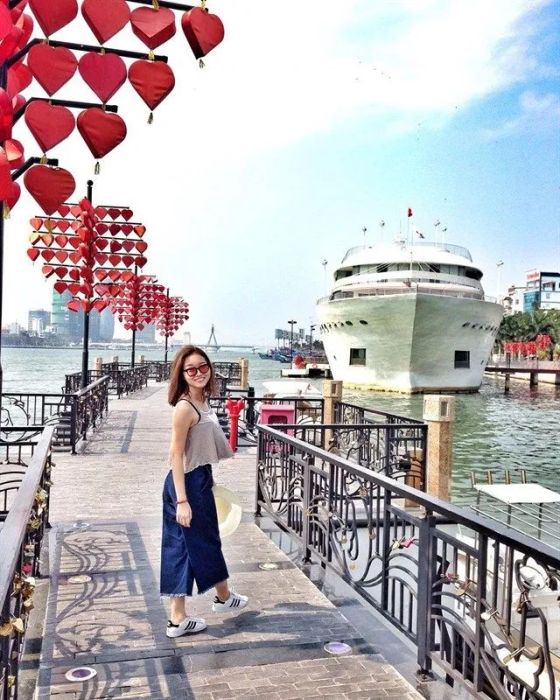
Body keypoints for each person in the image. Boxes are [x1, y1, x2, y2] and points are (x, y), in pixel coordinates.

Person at [160, 345, 248, 638]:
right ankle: (216, 600)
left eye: (203, 367)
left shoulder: (202, 401)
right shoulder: (185, 408)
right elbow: (176, 455)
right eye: (191, 369)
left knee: (190, 544)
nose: (198, 373)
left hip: (198, 479)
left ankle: (193, 611)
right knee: (192, 543)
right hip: (185, 483)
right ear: (182, 374)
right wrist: (182, 500)